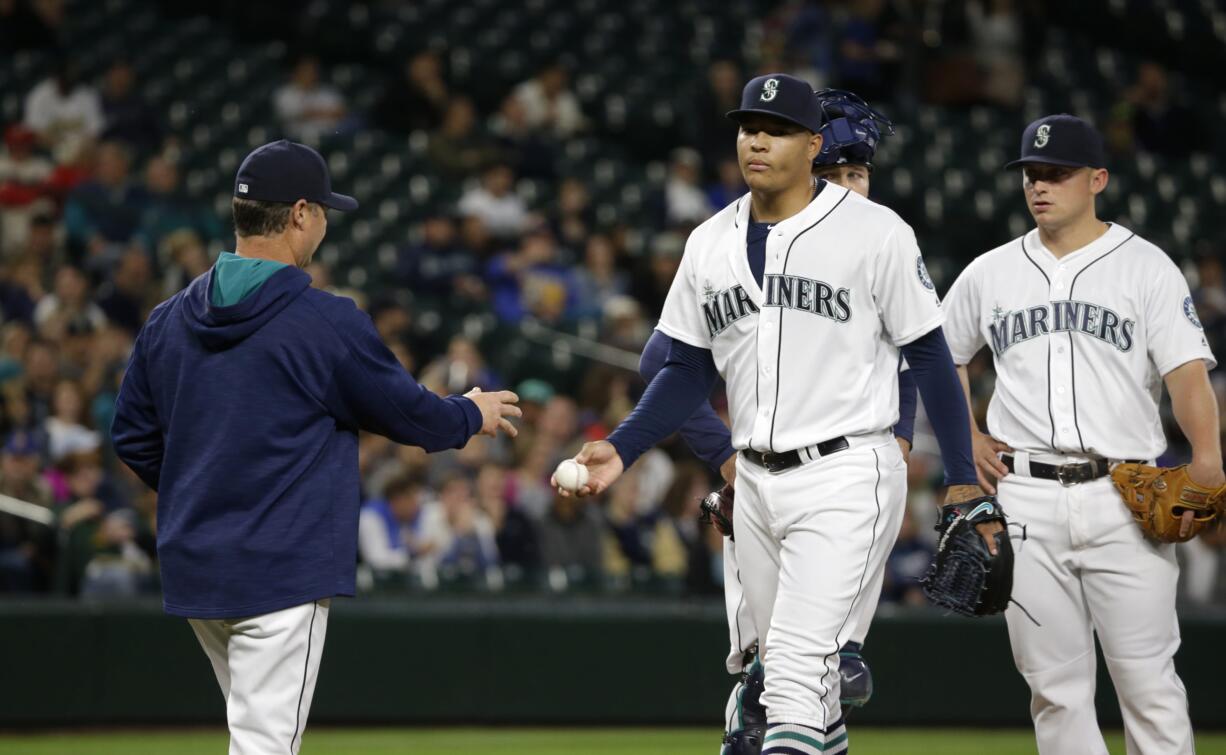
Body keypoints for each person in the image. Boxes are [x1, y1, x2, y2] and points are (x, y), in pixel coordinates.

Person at [558, 74, 996, 754]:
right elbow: (684, 368)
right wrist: (623, 445)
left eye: (779, 129)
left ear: (811, 143)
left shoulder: (876, 233)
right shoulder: (709, 240)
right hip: (756, 483)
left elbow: (931, 359)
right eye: (748, 127)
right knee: (785, 693)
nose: (758, 140)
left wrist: (961, 475)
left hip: (847, 469)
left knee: (792, 670)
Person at [110, 139, 521, 755]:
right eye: (324, 210)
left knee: (254, 735)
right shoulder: (323, 320)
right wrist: (469, 412)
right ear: (300, 213)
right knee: (266, 746)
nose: (326, 223)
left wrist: (203, 488)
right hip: (279, 569)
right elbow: (408, 414)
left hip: (200, 566)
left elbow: (133, 437)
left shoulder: (168, 319)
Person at [639, 87, 914, 752]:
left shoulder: (873, 250)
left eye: (859, 173)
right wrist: (723, 454)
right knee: (774, 698)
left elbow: (911, 364)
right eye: (837, 174)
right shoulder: (746, 245)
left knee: (823, 686)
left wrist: (897, 445)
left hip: (842, 486)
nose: (851, 186)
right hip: (766, 483)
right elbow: (660, 362)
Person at [942, 114, 1220, 755]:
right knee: (1054, 688)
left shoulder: (1145, 267)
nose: (1041, 186)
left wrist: (1207, 457)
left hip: (1123, 492)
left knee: (1148, 682)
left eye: (1057, 174)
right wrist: (970, 439)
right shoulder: (991, 271)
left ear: (1097, 179)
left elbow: (1185, 374)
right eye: (1032, 175)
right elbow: (940, 356)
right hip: (1027, 495)